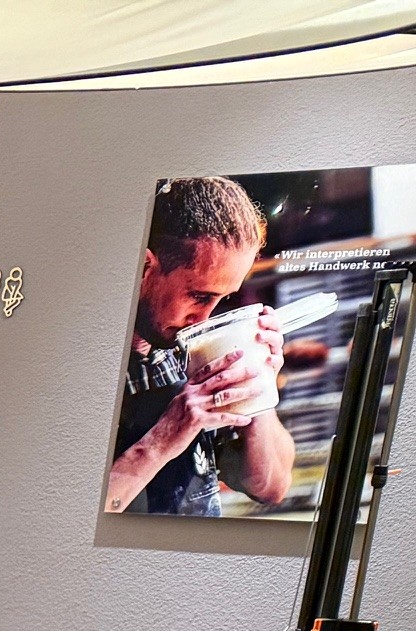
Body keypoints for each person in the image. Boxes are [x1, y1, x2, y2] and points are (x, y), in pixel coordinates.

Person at [107, 176, 293, 517]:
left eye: (222, 299)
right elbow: (61, 520)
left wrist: (258, 386)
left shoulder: (186, 353)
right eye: (199, 296)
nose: (204, 318)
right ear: (144, 267)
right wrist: (161, 440)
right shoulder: (84, 362)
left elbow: (270, 486)